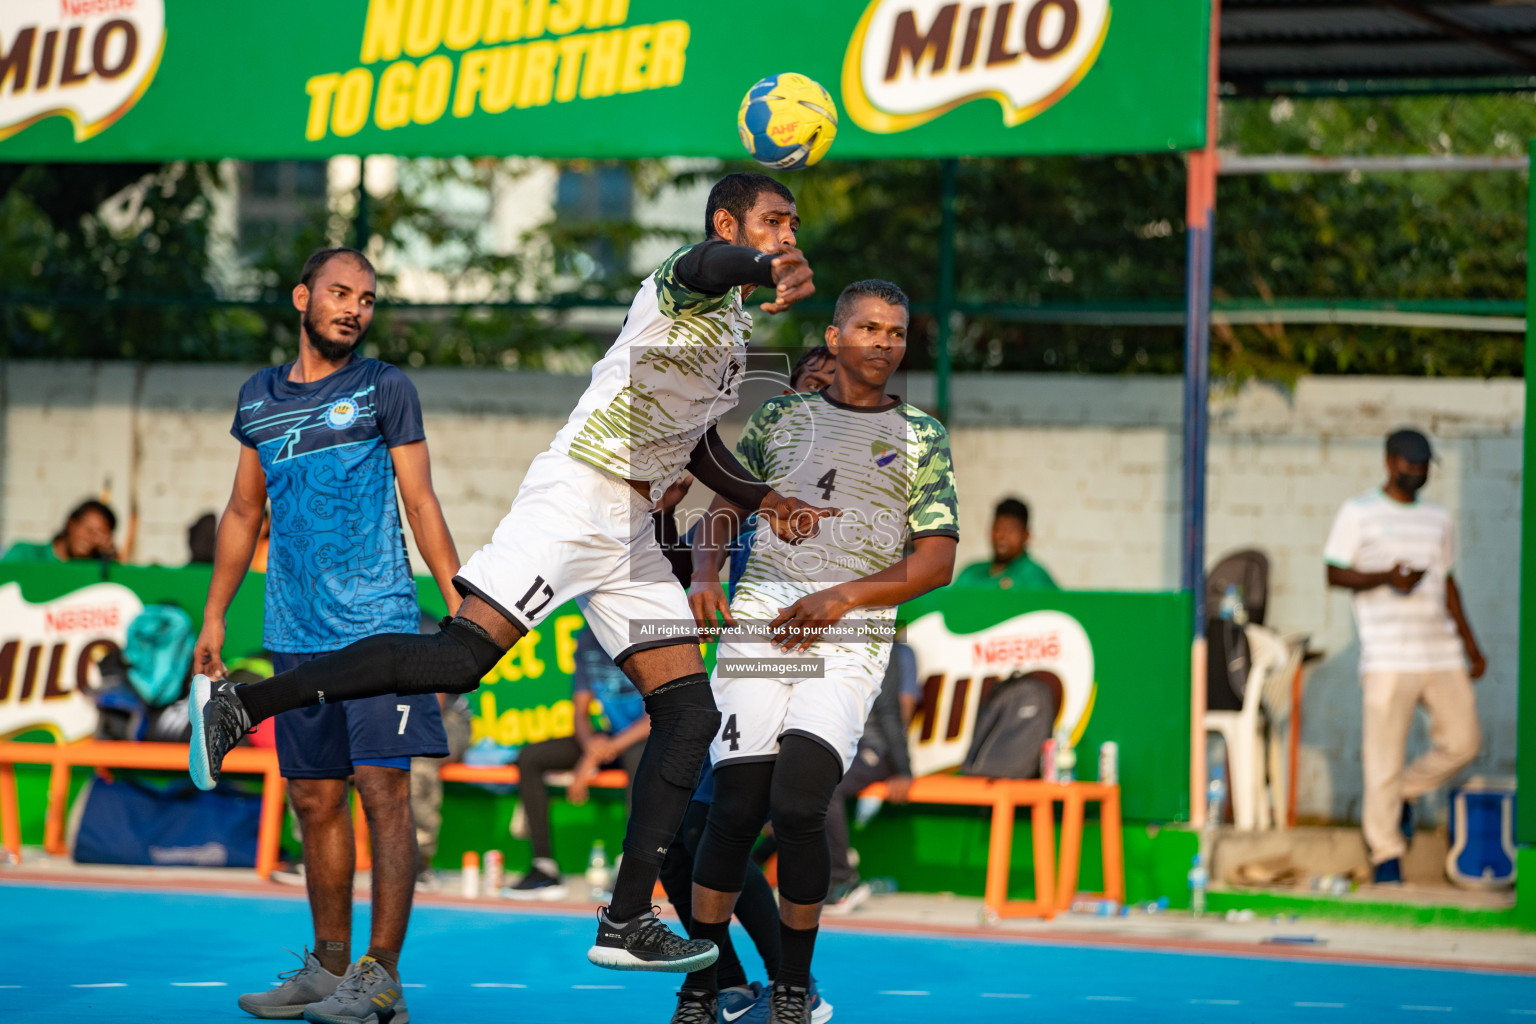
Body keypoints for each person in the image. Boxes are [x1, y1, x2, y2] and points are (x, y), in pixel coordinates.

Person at [188, 173, 832, 975]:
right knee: (458, 660)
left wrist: (766, 498)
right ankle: (244, 704)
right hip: (579, 496)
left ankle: (627, 916)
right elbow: (709, 264)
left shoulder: (732, 337)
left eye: (793, 225)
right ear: (730, 224)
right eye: (773, 221)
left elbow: (695, 442)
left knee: (688, 713)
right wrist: (760, 264)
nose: (787, 234)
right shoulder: (683, 287)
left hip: (629, 530)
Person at [192, 246, 463, 1024]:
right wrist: (216, 613)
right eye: (341, 293)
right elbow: (244, 513)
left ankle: (381, 978)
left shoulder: (385, 388)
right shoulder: (258, 399)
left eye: (368, 299)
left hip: (381, 629)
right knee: (313, 799)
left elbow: (422, 500)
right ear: (302, 297)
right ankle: (328, 967)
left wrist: (458, 608)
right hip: (294, 633)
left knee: (384, 792)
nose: (354, 308)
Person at [681, 280, 958, 1024]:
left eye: (896, 332)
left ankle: (793, 988)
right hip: (762, 622)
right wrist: (707, 571)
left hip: (850, 637)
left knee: (800, 804)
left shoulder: (924, 436)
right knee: (734, 808)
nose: (883, 342)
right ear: (833, 340)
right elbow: (723, 511)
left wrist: (839, 598)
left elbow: (934, 562)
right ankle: (703, 987)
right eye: (867, 328)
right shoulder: (780, 416)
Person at [1324, 428, 1486, 885]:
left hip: (1440, 650)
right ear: (1390, 461)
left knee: (1464, 741)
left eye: (1423, 467)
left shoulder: (1438, 518)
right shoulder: (1358, 513)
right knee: (1381, 758)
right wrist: (1386, 578)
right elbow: (1333, 573)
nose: (1416, 473)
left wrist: (1471, 645)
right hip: (1387, 655)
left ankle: (1406, 794)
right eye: (1409, 465)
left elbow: (1448, 583)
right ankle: (1386, 853)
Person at [824, 639, 921, 914]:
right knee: (795, 783)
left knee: (826, 786)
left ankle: (843, 880)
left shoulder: (886, 648)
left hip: (872, 750)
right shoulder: (828, 640)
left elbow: (891, 712)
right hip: (836, 743)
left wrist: (903, 770)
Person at [952, 498, 1057, 591]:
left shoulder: (1034, 577)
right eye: (998, 528)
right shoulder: (971, 573)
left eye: (1011, 530)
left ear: (1026, 535)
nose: (1002, 536)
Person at [2, 498, 118, 563]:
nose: (91, 539)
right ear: (71, 525)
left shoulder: (96, 569)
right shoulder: (25, 554)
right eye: (89, 531)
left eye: (100, 536)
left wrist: (110, 558)